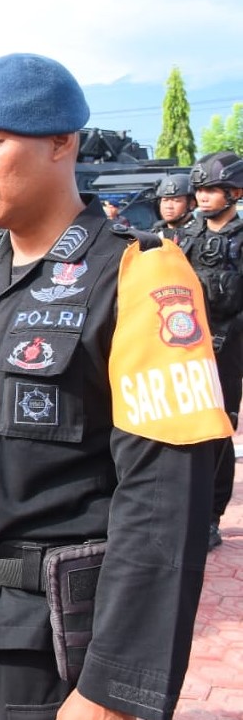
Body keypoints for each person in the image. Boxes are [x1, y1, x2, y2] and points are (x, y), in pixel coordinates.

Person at [0, 53, 231, 720]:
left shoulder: (138, 276)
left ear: (60, 143)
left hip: (46, 637)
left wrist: (115, 685)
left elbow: (164, 500)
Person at [178, 151, 243, 550]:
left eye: (212, 189)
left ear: (234, 192)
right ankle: (183, 510)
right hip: (186, 347)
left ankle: (211, 517)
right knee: (185, 428)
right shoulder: (187, 235)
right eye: (199, 189)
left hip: (227, 349)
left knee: (218, 434)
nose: (202, 197)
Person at [149, 174, 197, 245]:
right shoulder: (155, 234)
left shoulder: (199, 235)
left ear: (191, 204)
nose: (169, 206)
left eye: (176, 201)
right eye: (165, 200)